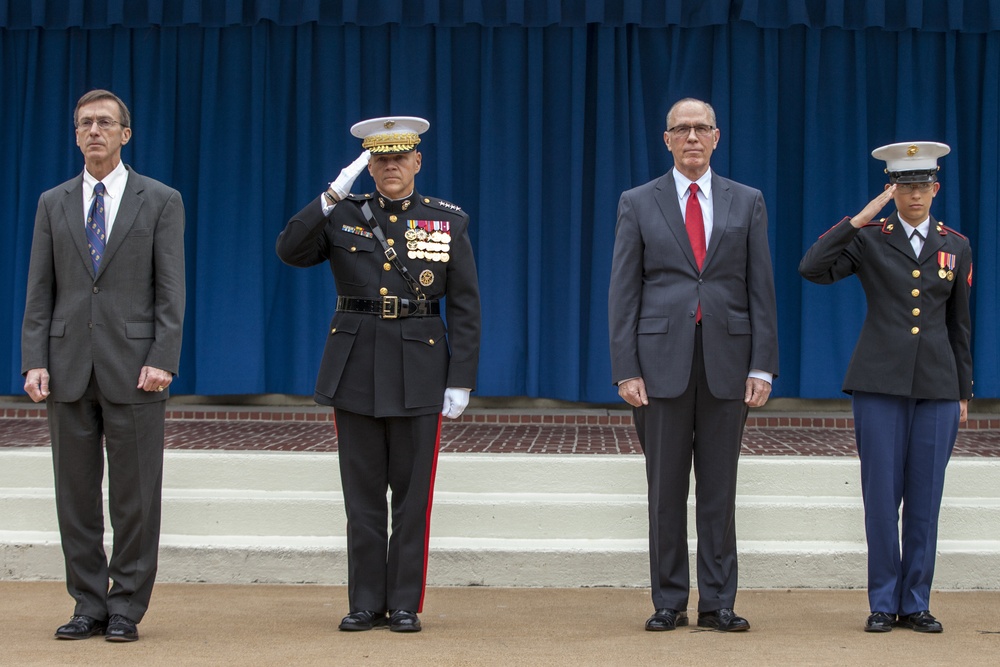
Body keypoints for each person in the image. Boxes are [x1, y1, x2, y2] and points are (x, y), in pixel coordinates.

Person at [276, 116, 481, 633]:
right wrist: (328, 196)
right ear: (368, 165)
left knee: (412, 498)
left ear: (417, 161)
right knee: (362, 495)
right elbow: (289, 250)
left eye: (400, 157)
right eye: (380, 158)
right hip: (356, 367)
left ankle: (405, 602)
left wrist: (461, 377)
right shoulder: (342, 215)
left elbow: (465, 305)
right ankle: (366, 601)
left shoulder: (445, 221)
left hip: (419, 366)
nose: (390, 166)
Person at [608, 98, 779, 633]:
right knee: (664, 489)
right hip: (659, 366)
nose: (692, 138)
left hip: (728, 361)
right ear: (666, 140)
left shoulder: (746, 200)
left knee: (719, 489)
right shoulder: (638, 202)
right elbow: (624, 291)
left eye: (701, 128)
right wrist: (625, 367)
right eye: (681, 129)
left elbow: (761, 288)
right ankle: (669, 601)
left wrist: (763, 366)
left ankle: (718, 602)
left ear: (717, 136)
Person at [21, 89, 186, 642]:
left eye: (105, 123)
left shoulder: (160, 200)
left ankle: (125, 607)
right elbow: (39, 291)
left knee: (135, 498)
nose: (95, 130)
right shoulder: (53, 202)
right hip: (66, 367)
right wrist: (33, 359)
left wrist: (163, 356)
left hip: (136, 368)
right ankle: (87, 604)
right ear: (76, 134)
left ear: (125, 134)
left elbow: (171, 290)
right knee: (75, 498)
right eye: (85, 123)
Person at [799, 142, 972, 634]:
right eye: (904, 186)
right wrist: (860, 217)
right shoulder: (870, 237)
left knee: (926, 497)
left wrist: (964, 391)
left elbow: (959, 324)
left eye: (922, 186)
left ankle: (915, 601)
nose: (914, 194)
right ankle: (881, 601)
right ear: (891, 189)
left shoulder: (955, 244)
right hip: (879, 382)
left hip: (938, 385)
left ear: (935, 189)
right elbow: (812, 268)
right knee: (881, 498)